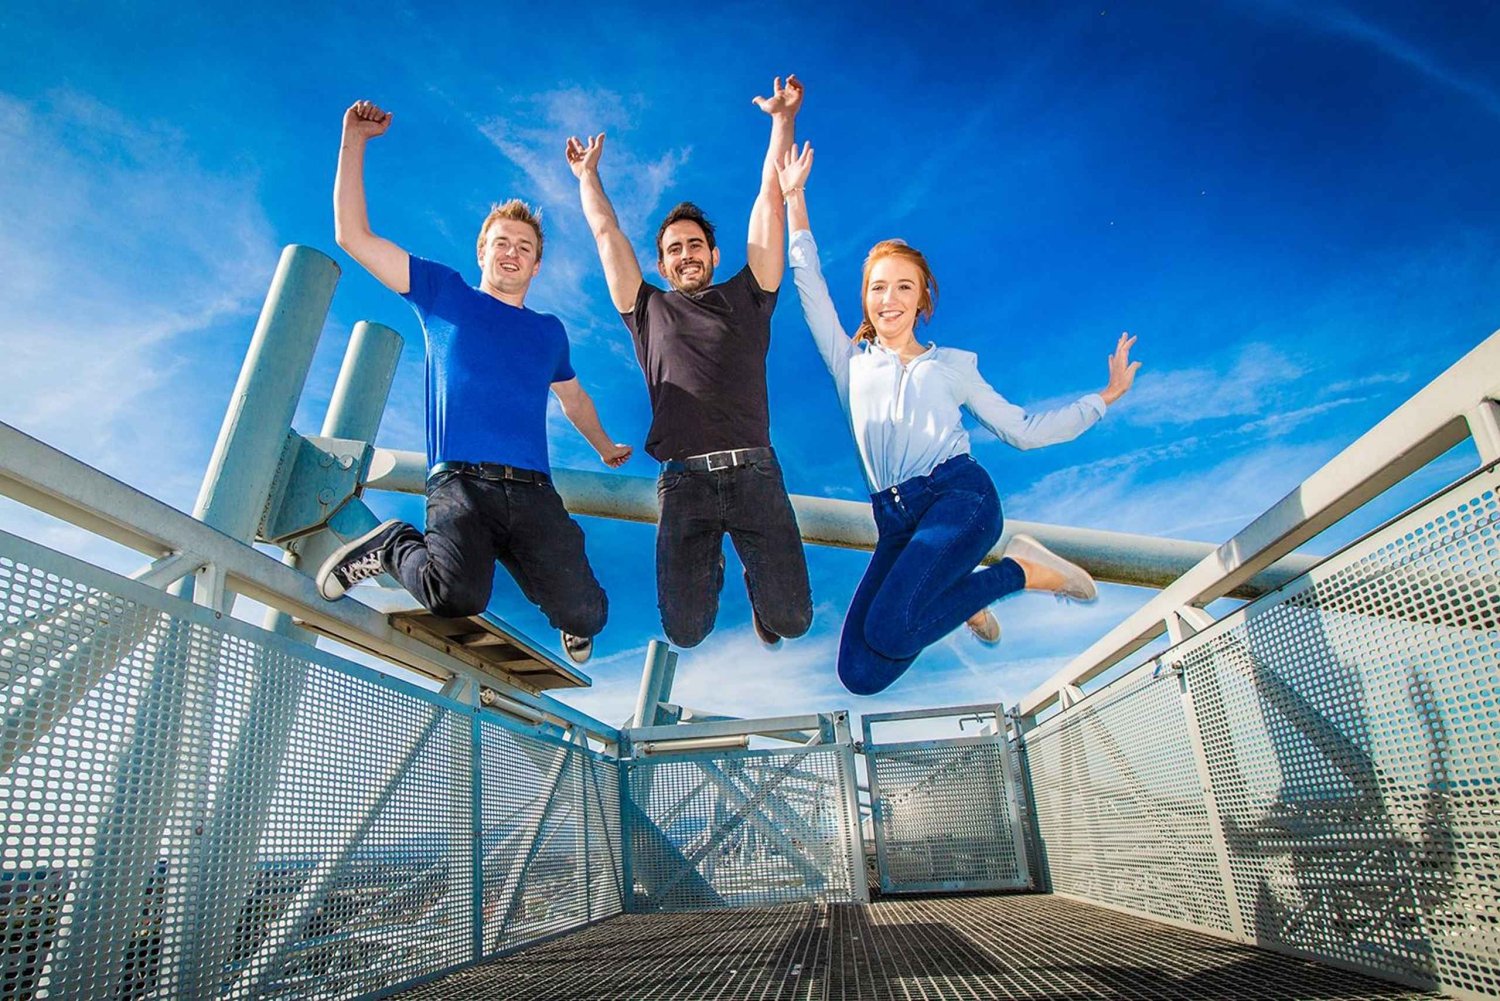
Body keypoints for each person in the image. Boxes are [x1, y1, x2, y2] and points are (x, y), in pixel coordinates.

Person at [775, 142, 1140, 695]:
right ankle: (955, 591)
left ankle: (1019, 569)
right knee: (861, 673)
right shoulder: (848, 362)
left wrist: (1105, 397)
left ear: (923, 300)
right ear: (865, 298)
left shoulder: (952, 366)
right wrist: (794, 198)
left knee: (894, 629)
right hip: (895, 520)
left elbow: (1023, 431)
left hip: (958, 499)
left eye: (904, 287)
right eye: (878, 287)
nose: (889, 298)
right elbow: (807, 282)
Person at [316, 99, 632, 666]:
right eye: (502, 244)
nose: (512, 253)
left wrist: (604, 445)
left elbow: (574, 397)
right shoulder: (443, 294)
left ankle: (566, 610)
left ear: (537, 266)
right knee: (454, 595)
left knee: (589, 616)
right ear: (482, 252)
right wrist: (354, 141)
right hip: (459, 485)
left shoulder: (548, 332)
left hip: (534, 491)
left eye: (525, 248)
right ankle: (391, 545)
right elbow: (352, 236)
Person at [564, 75, 813, 650]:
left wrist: (782, 122)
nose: (685, 254)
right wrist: (587, 177)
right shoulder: (646, 309)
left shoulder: (750, 295)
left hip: (754, 473)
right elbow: (606, 233)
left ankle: (760, 587)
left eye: (695, 244)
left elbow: (768, 201)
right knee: (686, 631)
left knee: (791, 621)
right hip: (683, 484)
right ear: (663, 263)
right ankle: (718, 567)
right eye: (674, 249)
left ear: (713, 254)